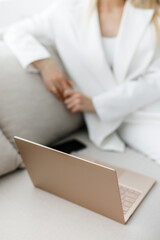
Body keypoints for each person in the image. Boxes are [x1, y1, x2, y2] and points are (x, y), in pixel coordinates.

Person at [4, 0, 160, 164]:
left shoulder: (153, 12)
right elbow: (15, 31)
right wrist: (44, 63)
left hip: (149, 104)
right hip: (130, 118)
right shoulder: (66, 11)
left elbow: (156, 79)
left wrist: (97, 104)